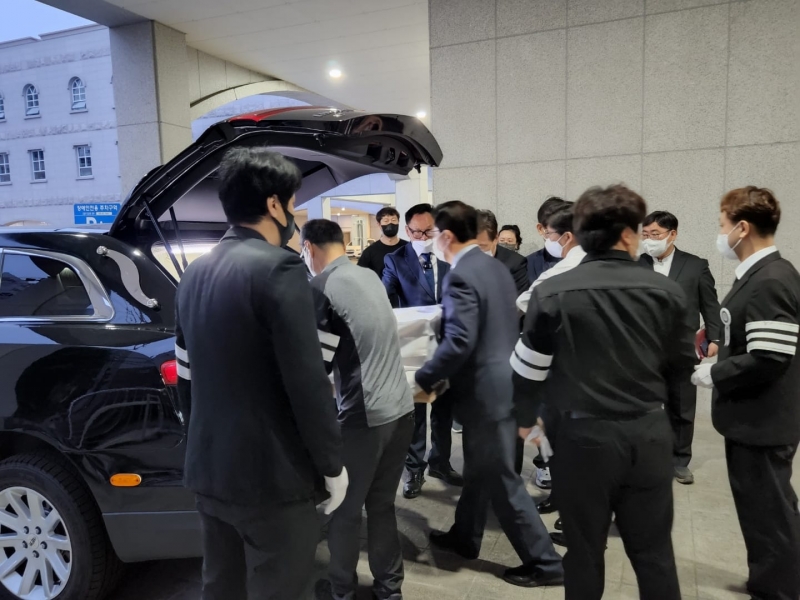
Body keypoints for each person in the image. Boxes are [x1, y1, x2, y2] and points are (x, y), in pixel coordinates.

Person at [174, 147, 348, 600]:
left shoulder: (194, 273)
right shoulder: (280, 267)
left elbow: (185, 375)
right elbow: (306, 382)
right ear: (274, 204)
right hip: (272, 478)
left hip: (209, 469)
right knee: (280, 588)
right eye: (292, 203)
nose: (293, 215)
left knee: (221, 586)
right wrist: (331, 464)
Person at [513, 185, 687, 600]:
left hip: (580, 440)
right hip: (648, 432)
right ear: (627, 235)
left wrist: (525, 419)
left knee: (584, 552)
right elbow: (681, 369)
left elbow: (526, 371)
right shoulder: (668, 292)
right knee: (654, 553)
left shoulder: (551, 291)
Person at [416, 200, 564, 589]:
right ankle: (465, 537)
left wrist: (424, 377)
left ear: (447, 235)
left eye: (434, 233)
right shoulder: (494, 267)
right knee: (480, 471)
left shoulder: (460, 275)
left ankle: (546, 563)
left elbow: (459, 341)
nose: (431, 240)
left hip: (486, 393)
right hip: (505, 381)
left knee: (502, 479)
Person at [692, 186, 800, 600]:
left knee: (771, 515)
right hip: (752, 418)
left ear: (742, 228)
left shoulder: (771, 278)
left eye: (722, 225)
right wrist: (721, 346)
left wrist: (717, 373)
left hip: (763, 421)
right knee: (759, 512)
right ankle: (767, 579)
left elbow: (771, 356)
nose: (720, 234)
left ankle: (780, 590)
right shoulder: (757, 275)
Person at [300, 219, 415, 600]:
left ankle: (341, 592)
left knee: (343, 510)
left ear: (309, 248)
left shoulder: (321, 287)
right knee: (381, 506)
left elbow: (316, 369)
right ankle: (389, 590)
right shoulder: (368, 276)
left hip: (364, 418)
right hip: (401, 410)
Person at [515, 202, 585, 543]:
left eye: (550, 233)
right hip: (586, 376)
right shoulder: (600, 264)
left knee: (570, 448)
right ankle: (564, 502)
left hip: (565, 373)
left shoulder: (565, 270)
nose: (546, 239)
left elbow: (527, 302)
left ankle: (576, 521)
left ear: (567, 236)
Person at [382, 203, 462, 498]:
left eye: (429, 231)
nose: (423, 237)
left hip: (449, 343)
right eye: (417, 232)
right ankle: (414, 469)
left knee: (444, 409)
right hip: (414, 345)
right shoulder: (395, 259)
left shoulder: (452, 255)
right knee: (415, 412)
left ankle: (440, 463)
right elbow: (385, 296)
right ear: (407, 230)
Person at [640, 211, 722, 485]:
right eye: (645, 234)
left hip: (682, 348)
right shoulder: (636, 264)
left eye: (655, 234)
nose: (649, 240)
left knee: (682, 406)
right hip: (643, 350)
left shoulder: (695, 265)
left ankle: (680, 459)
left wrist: (715, 338)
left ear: (672, 234)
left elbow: (710, 304)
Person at [476, 209, 529, 294]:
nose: (476, 250)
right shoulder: (461, 259)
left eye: (482, 246)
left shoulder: (515, 263)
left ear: (496, 238)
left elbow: (520, 298)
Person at [357, 207, 408, 279]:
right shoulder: (369, 252)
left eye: (393, 220)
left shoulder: (409, 248)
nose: (390, 223)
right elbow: (360, 277)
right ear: (379, 224)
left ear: (398, 222)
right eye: (386, 221)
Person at [526, 197, 568, 281]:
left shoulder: (585, 261)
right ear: (541, 229)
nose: (566, 236)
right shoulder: (527, 264)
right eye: (559, 230)